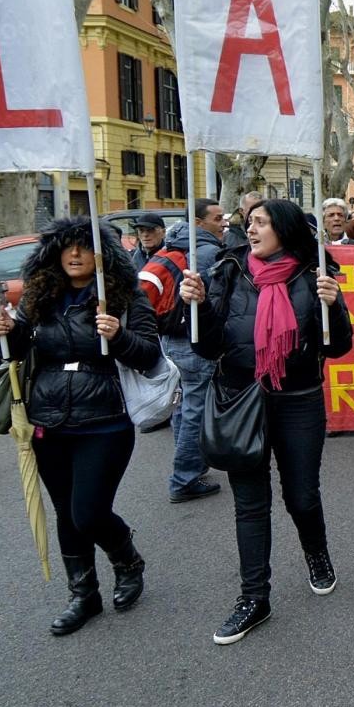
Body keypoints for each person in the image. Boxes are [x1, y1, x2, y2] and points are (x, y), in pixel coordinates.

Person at [179, 199, 354, 645]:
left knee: (300, 496)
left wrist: (332, 308)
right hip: (241, 400)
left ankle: (316, 553)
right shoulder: (228, 271)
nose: (251, 229)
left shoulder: (315, 275)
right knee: (250, 505)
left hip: (298, 402)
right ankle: (254, 598)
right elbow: (206, 346)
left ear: (284, 229)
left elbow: (338, 349)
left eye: (261, 223)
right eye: (249, 223)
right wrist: (194, 309)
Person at [0, 218, 159, 636]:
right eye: (67, 247)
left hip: (104, 420)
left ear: (104, 254)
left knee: (89, 511)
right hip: (48, 419)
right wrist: (6, 333)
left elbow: (150, 356)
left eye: (85, 246)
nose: (76, 254)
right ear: (54, 253)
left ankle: (127, 558)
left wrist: (118, 336)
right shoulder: (40, 295)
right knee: (66, 511)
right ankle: (83, 595)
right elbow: (18, 352)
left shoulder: (121, 295)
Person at [152, 198, 225, 504]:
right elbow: (217, 301)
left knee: (184, 404)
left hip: (170, 340)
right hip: (192, 341)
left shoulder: (171, 246)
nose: (224, 223)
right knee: (195, 407)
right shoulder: (207, 253)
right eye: (218, 218)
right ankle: (184, 476)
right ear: (198, 223)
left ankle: (190, 465)